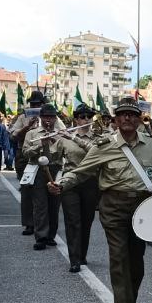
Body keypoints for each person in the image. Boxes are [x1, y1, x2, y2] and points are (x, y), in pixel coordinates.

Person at [49, 98, 152, 303]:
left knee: (136, 259)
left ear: (139, 119)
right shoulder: (103, 145)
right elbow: (81, 171)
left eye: (132, 114)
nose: (127, 117)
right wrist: (63, 184)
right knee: (118, 256)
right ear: (115, 120)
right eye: (122, 114)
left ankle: (130, 299)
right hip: (113, 206)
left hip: (143, 207)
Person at [53, 104, 100, 272]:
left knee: (86, 221)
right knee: (73, 221)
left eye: (89, 116)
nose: (86, 119)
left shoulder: (97, 138)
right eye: (82, 116)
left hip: (90, 182)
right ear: (76, 119)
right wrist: (48, 141)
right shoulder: (65, 138)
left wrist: (72, 138)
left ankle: (82, 254)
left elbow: (96, 153)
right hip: (70, 182)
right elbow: (54, 158)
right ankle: (74, 259)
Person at [21, 104, 64, 251]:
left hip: (55, 168)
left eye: (51, 117)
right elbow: (25, 153)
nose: (48, 120)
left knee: (54, 204)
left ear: (55, 118)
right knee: (40, 205)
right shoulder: (32, 134)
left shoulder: (61, 133)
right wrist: (40, 145)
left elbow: (64, 154)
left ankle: (51, 235)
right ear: (41, 117)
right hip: (38, 170)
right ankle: (41, 237)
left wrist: (55, 142)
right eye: (46, 117)